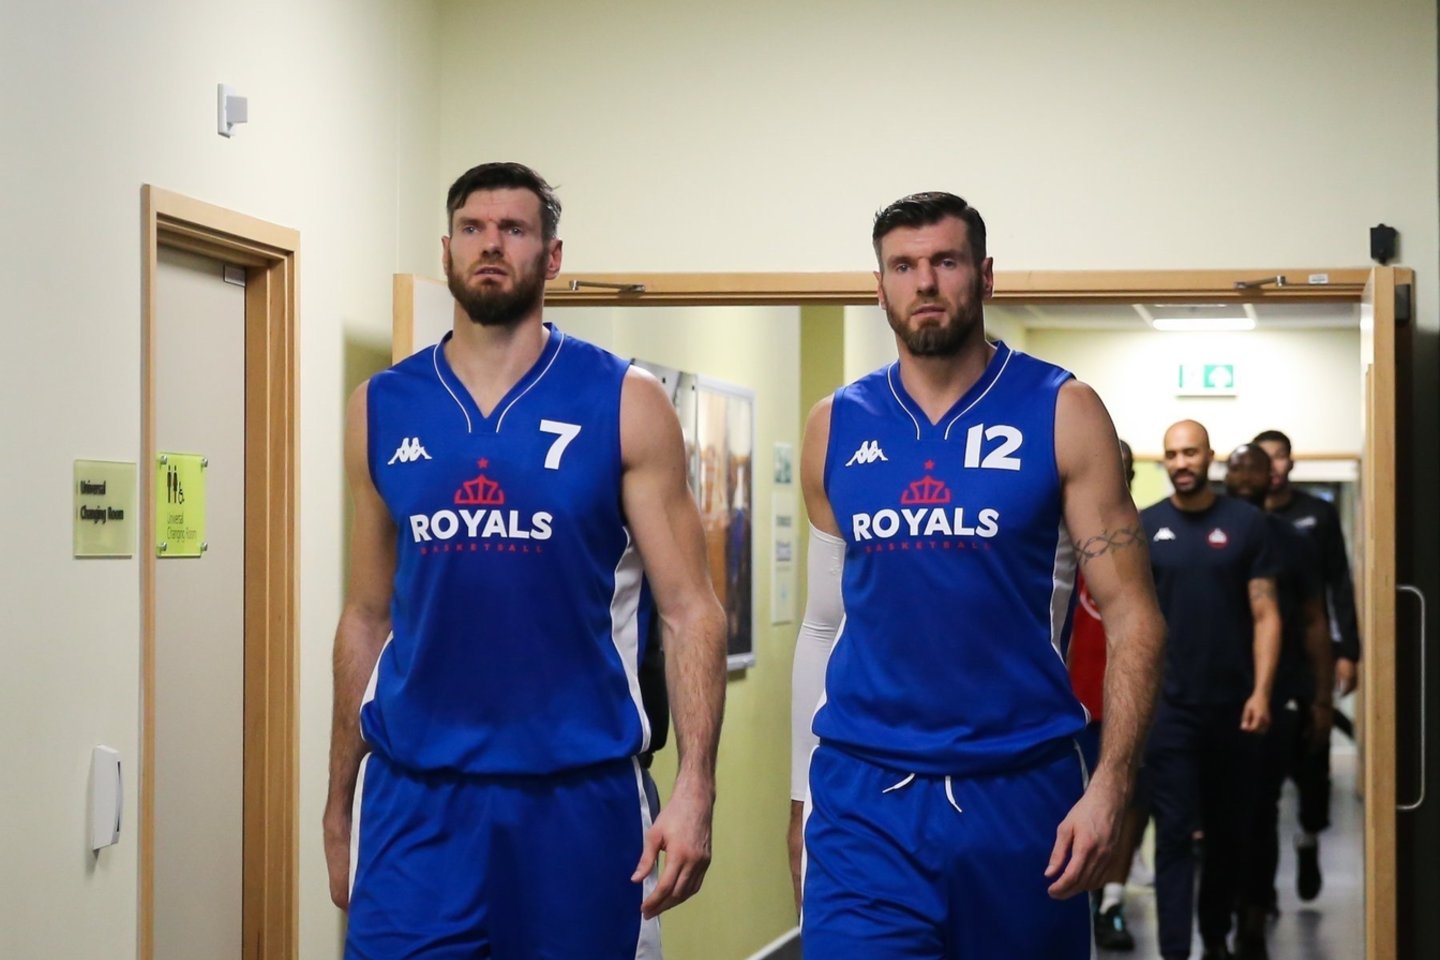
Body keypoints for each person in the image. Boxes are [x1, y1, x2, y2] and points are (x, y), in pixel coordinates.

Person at [322, 162, 727, 959]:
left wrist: (695, 787)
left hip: (574, 796)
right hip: (416, 800)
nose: (490, 244)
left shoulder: (624, 401)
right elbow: (367, 616)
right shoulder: (381, 407)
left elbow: (690, 610)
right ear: (446, 250)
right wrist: (337, 804)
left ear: (552, 256)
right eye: (472, 228)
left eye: (514, 229)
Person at [788, 191, 1166, 959]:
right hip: (864, 800)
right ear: (879, 287)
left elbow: (1134, 616)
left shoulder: (1063, 410)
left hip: (1021, 795)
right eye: (903, 266)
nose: (925, 282)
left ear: (985, 275)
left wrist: (1111, 786)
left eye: (945, 261)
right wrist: (801, 795)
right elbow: (824, 623)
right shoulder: (836, 424)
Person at [1141, 420, 1281, 960]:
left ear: (1209, 456)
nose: (1181, 463)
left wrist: (1261, 692)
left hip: (1233, 708)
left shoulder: (1246, 524)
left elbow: (1266, 614)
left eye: (1190, 452)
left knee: (1227, 834)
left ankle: (1217, 937)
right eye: (1173, 454)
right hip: (1169, 709)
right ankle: (1175, 950)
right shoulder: (1146, 526)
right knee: (1174, 834)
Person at [1222, 444, 1333, 960]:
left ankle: (1253, 916)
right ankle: (1222, 915)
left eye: (1255, 467)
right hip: (1214, 694)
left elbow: (1314, 620)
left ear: (1272, 477)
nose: (1244, 475)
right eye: (1236, 466)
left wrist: (1322, 699)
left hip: (1281, 691)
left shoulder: (1292, 540)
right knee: (1219, 814)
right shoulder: (1209, 534)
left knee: (1262, 809)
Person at [1253, 428, 1357, 901]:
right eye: (1265, 458)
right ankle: (1260, 890)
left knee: (1313, 761)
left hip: (1308, 657)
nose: (1273, 467)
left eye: (1280, 457)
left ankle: (1309, 839)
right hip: (1257, 665)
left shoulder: (1317, 514)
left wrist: (1347, 651)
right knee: (1262, 780)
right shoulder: (1245, 518)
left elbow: (1339, 584)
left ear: (1291, 463)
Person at [1070, 439, 1147, 952]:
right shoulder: (1059, 536)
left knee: (1126, 798)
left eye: (1123, 470)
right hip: (1071, 702)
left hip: (1126, 700)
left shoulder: (1145, 538)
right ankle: (1080, 898)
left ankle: (1112, 901)